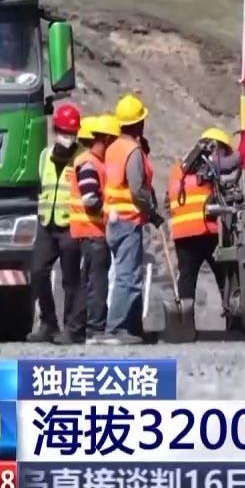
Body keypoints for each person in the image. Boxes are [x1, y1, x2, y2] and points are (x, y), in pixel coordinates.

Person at [165, 128, 242, 342]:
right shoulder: (209, 160)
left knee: (186, 280)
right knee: (225, 276)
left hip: (182, 234)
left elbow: (168, 202)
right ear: (216, 146)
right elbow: (231, 163)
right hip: (206, 231)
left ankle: (184, 327)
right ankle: (234, 322)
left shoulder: (178, 169)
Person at [101, 93, 162, 345]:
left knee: (127, 273)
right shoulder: (133, 151)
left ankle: (132, 327)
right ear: (138, 123)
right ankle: (116, 328)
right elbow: (137, 189)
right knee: (128, 276)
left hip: (112, 219)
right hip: (128, 219)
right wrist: (152, 213)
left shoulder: (113, 148)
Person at [27, 103, 84, 344]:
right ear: (55, 130)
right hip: (47, 224)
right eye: (63, 131)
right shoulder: (44, 157)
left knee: (71, 280)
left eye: (71, 132)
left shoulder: (82, 158)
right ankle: (48, 323)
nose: (67, 137)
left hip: (71, 226)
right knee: (37, 271)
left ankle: (72, 328)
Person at [68, 114, 121, 345]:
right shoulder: (89, 163)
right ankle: (96, 329)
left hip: (89, 232)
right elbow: (90, 198)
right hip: (91, 231)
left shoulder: (93, 162)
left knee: (87, 282)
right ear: (106, 139)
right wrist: (108, 211)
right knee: (97, 283)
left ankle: (78, 329)